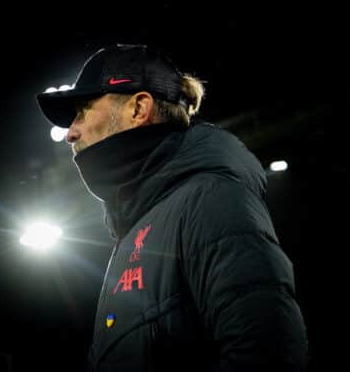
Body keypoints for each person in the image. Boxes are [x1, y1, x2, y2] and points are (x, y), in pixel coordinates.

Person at [36, 44, 309, 371]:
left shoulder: (210, 198)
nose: (71, 133)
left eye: (81, 111)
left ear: (138, 109)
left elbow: (268, 352)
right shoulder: (133, 230)